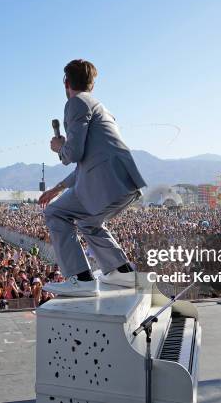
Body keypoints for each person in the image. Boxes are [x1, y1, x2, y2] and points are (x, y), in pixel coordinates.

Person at [39, 59, 146, 296]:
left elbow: (73, 154)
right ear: (92, 85)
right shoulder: (101, 108)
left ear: (66, 82)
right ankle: (121, 272)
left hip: (105, 183)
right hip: (122, 182)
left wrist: (59, 146)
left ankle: (80, 278)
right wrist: (56, 189)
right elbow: (88, 165)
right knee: (88, 222)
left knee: (55, 213)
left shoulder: (76, 103)